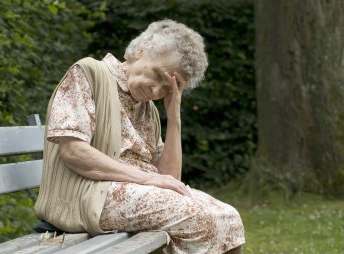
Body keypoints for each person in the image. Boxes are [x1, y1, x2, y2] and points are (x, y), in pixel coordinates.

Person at [34, 19, 245, 254]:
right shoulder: (89, 73)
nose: (156, 91)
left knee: (229, 218)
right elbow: (73, 151)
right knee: (199, 219)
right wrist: (146, 179)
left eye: (167, 88)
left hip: (130, 195)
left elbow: (168, 178)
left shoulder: (147, 108)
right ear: (141, 50)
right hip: (88, 195)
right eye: (157, 75)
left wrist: (173, 117)